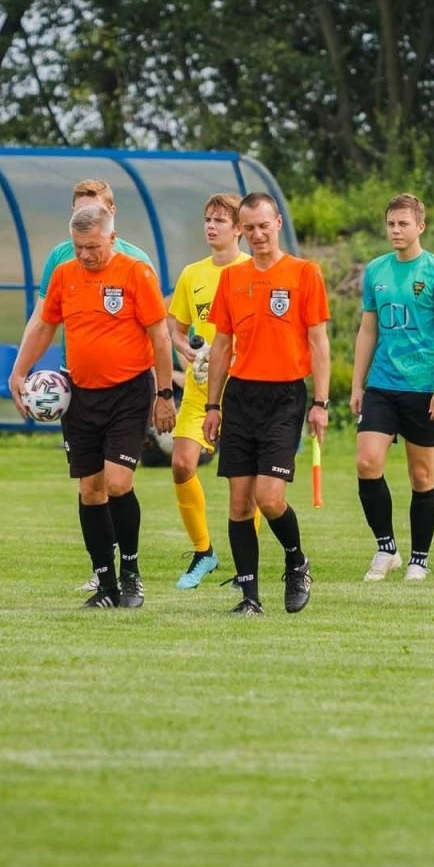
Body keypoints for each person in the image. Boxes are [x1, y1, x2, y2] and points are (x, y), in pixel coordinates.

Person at [10, 205, 177, 609]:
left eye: (93, 247)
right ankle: (105, 584)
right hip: (81, 396)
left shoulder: (136, 273)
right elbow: (45, 326)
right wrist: (20, 371)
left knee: (118, 483)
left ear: (112, 239)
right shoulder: (65, 275)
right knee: (90, 490)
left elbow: (159, 336)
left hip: (129, 392)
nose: (85, 255)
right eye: (79, 247)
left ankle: (131, 574)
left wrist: (165, 394)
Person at [202, 192, 331, 617]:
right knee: (239, 502)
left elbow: (318, 341)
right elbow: (222, 344)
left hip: (285, 396)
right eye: (249, 227)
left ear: (277, 222)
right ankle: (249, 598)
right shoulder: (232, 280)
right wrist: (212, 406)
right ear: (241, 229)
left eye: (264, 225)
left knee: (269, 497)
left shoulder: (303, 273)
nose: (257, 234)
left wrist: (321, 402)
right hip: (241, 396)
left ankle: (297, 562)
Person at [354, 193, 434, 580]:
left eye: (403, 224)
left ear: (420, 226)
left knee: (422, 477)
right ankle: (386, 549)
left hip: (423, 387)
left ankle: (419, 558)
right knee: (367, 463)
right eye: (391, 224)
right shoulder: (376, 271)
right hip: (382, 384)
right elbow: (368, 330)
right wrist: (357, 384)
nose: (396, 231)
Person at [164, 192, 250, 590]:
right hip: (200, 392)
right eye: (207, 219)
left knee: (245, 481)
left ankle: (246, 564)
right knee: (181, 463)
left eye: (220, 220)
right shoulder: (191, 275)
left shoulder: (252, 270)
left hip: (245, 391)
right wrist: (188, 353)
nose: (211, 226)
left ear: (239, 229)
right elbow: (175, 329)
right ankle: (204, 552)